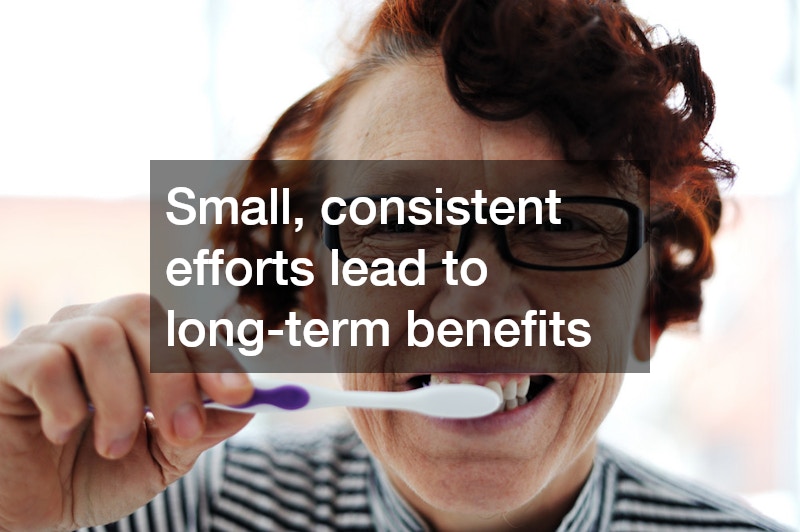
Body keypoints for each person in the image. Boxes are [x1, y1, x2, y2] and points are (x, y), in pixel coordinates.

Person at [0, 0, 788, 530]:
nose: (479, 306)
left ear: (645, 308)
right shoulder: (161, 513)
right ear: (316, 292)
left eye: (565, 223)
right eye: (398, 223)